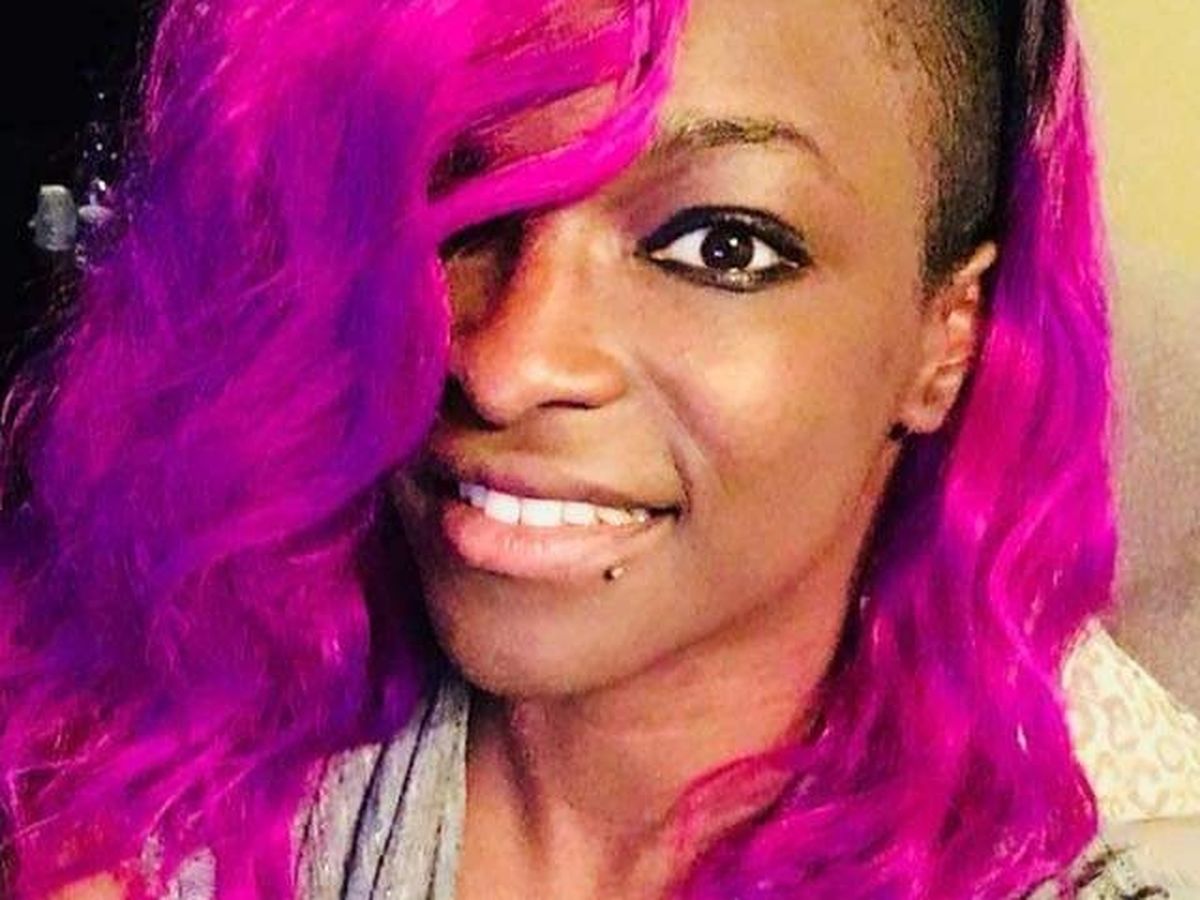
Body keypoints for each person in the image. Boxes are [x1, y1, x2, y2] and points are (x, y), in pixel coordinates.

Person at [2, 0, 1197, 897]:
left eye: (722, 246)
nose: (506, 361)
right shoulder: (165, 756)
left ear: (948, 336)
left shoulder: (1097, 855)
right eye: (452, 202)